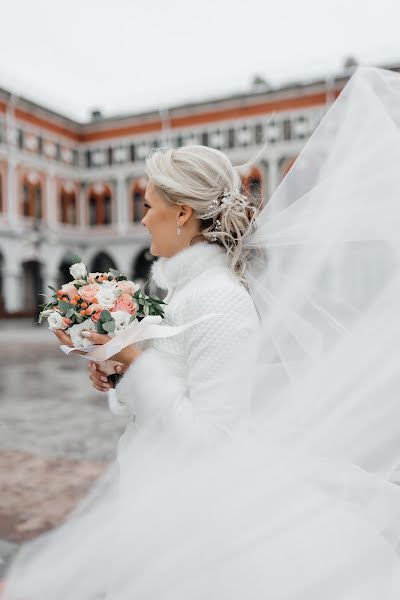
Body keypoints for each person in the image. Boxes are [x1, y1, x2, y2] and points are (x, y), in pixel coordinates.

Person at [5, 67, 400, 599]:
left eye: (148, 206)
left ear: (183, 213)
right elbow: (176, 387)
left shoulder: (218, 302)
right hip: (158, 492)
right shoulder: (187, 293)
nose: (142, 219)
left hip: (197, 516)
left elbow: (212, 439)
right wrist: (123, 371)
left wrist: (140, 364)